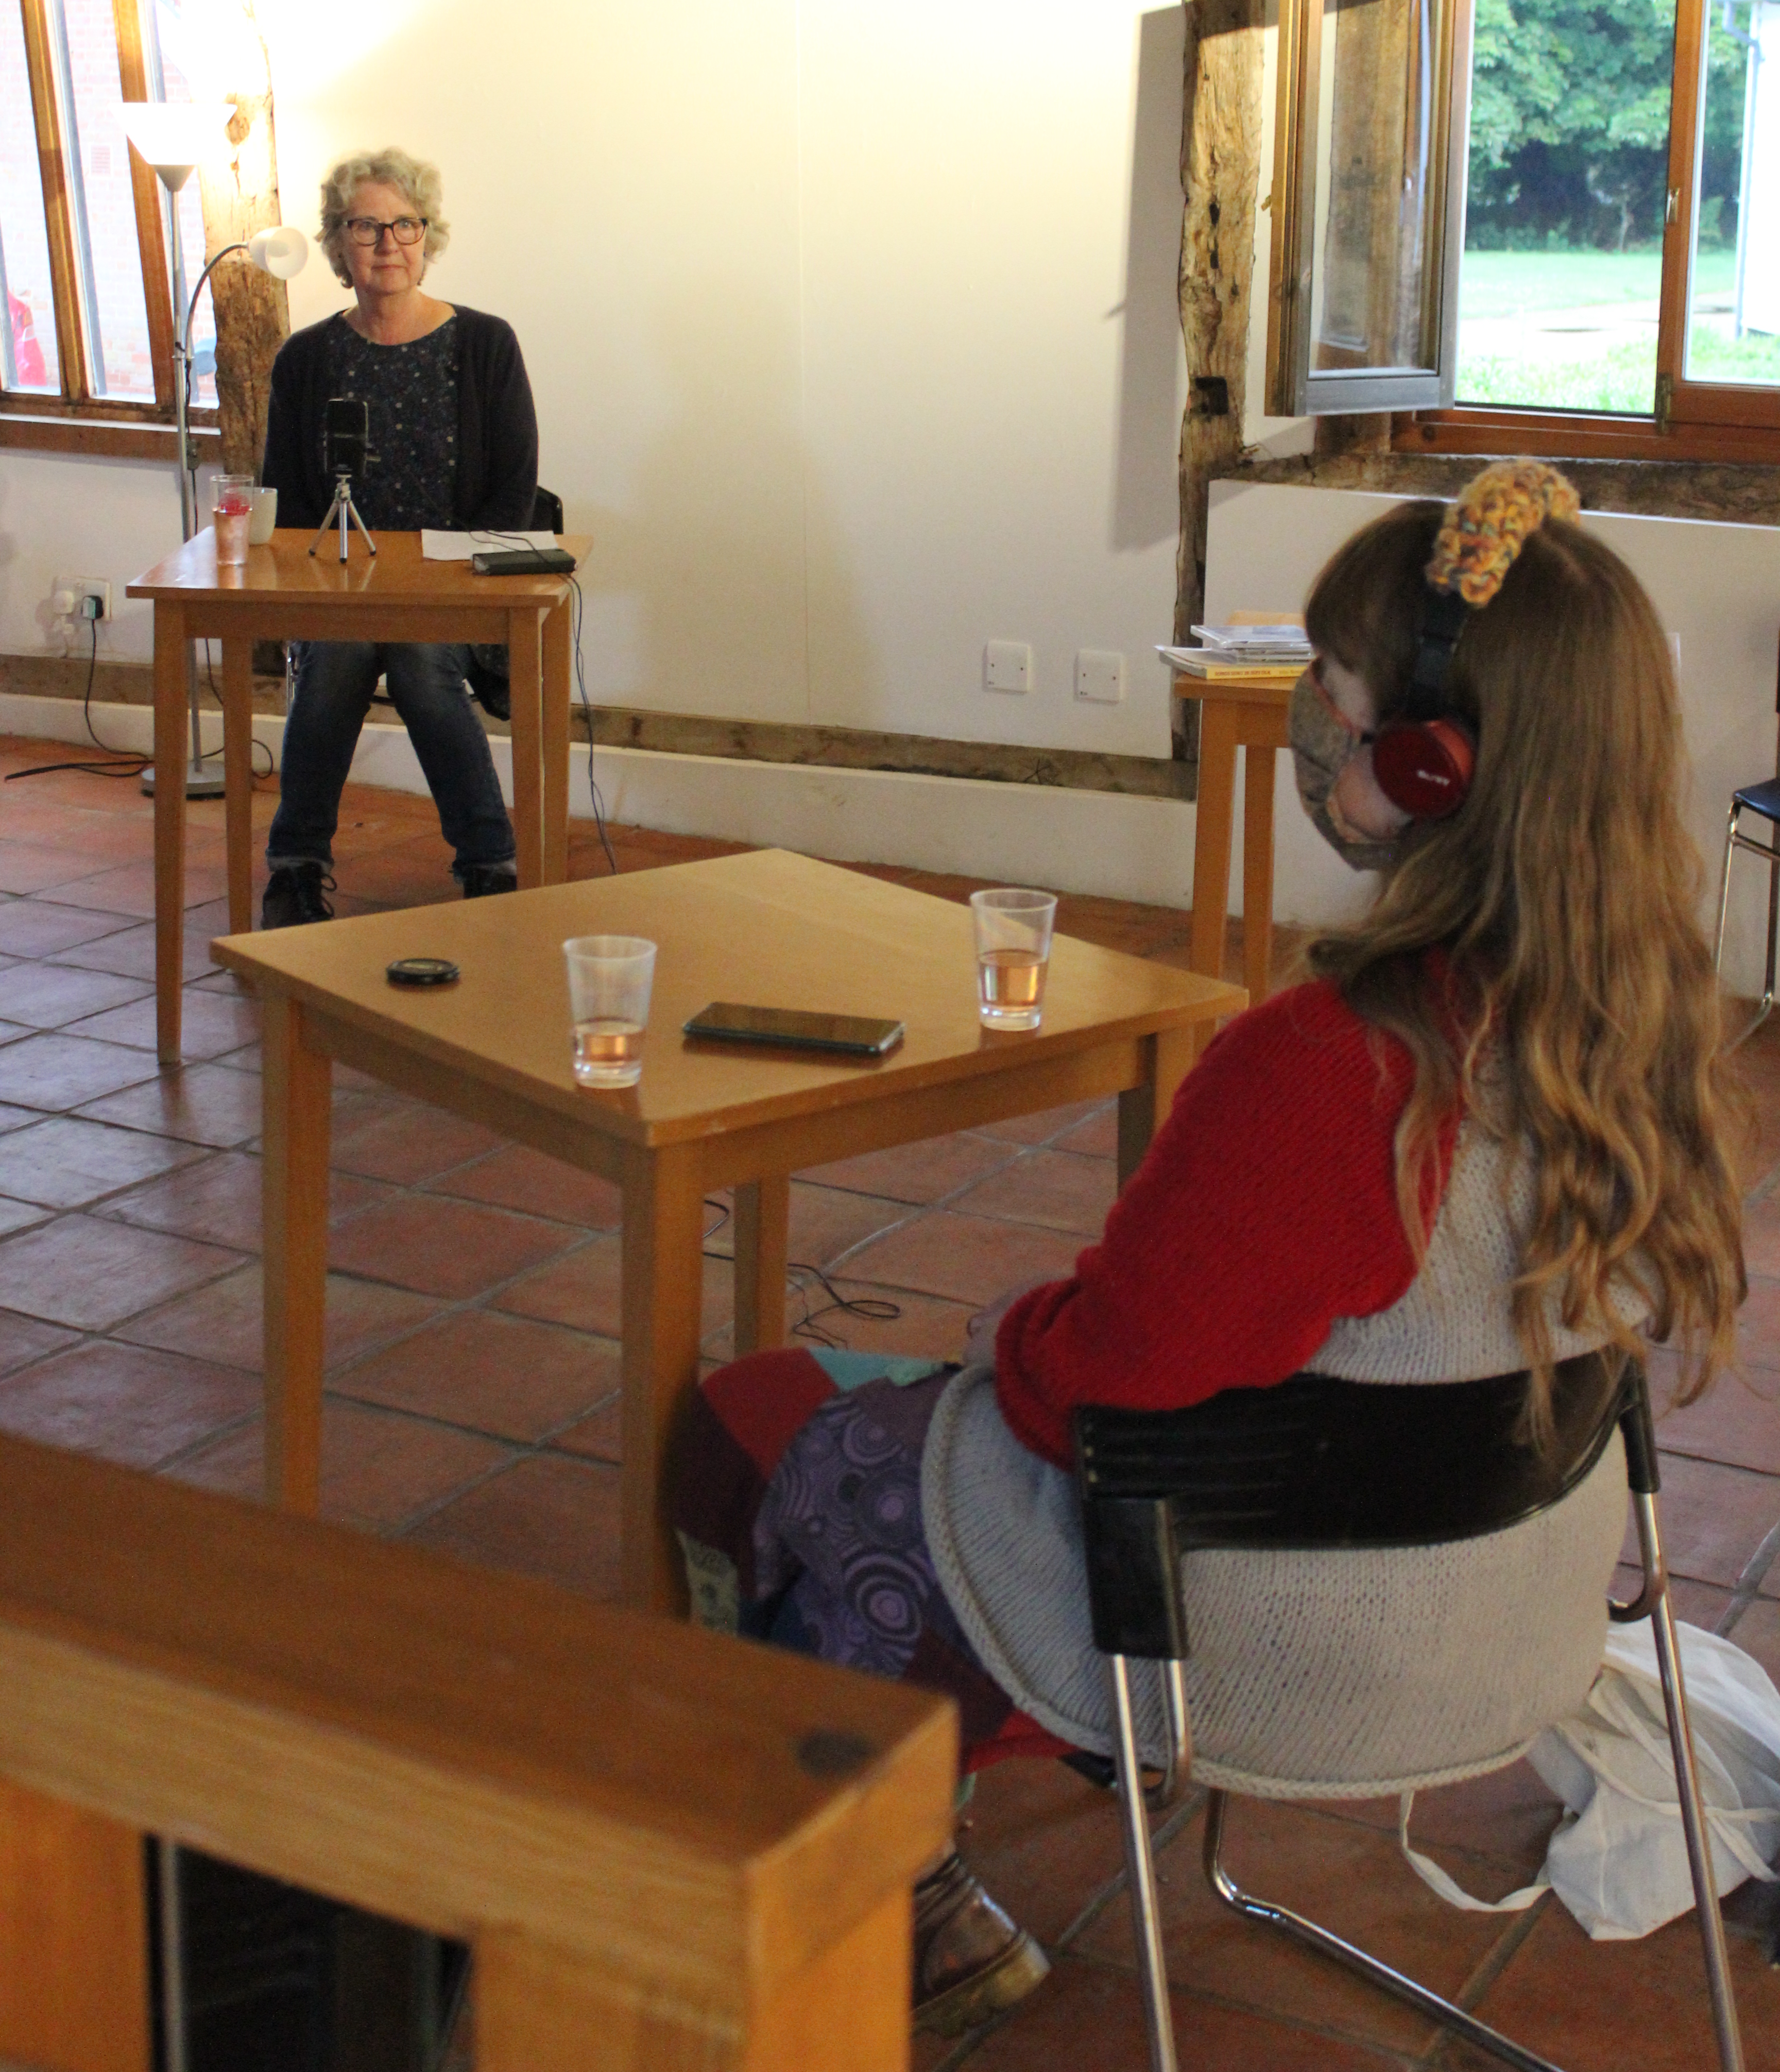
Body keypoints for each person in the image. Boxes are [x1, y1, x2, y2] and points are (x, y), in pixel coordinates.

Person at [668, 460, 1748, 2041]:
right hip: (1509, 1635)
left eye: (1332, 681)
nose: (1307, 710)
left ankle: (867, 1890)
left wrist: (1011, 1334)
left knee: (783, 1432)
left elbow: (1104, 1382)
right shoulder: (1650, 1038)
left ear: (1433, 765)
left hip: (1263, 1649)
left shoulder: (1338, 1063)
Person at [259, 149, 539, 926]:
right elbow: (283, 499)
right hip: (341, 592)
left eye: (405, 225)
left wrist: (448, 584)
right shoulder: (307, 359)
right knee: (340, 657)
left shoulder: (484, 345)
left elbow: (514, 490)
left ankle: (490, 866)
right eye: (367, 227)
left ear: (429, 236)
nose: (389, 243)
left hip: (452, 594)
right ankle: (295, 868)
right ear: (340, 245)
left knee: (420, 665)